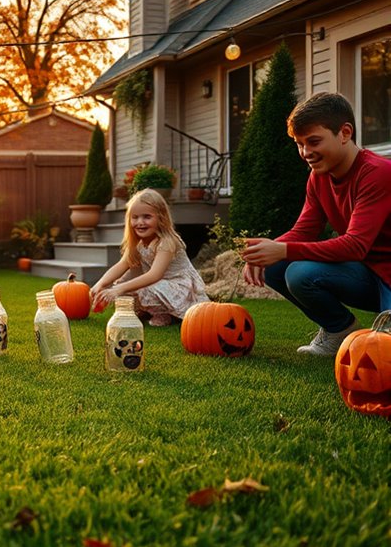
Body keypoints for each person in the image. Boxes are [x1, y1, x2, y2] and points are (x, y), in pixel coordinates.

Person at [242, 92, 391, 356]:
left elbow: (355, 245)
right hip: (367, 271)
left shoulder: (377, 173)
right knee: (282, 268)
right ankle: (339, 331)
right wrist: (265, 252)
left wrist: (283, 250)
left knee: (384, 355)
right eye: (300, 144)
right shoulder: (318, 177)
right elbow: (305, 230)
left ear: (344, 133)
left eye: (313, 142)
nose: (305, 153)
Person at [91, 189, 209, 325]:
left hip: (178, 286)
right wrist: (101, 284)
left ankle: (164, 315)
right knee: (122, 286)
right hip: (158, 285)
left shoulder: (167, 242)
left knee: (137, 288)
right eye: (135, 217)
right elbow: (122, 265)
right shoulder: (138, 243)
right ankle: (148, 310)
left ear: (161, 218)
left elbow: (154, 275)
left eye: (147, 217)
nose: (140, 222)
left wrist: (120, 288)